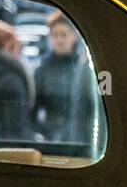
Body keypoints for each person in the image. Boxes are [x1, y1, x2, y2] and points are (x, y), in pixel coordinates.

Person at [34, 11, 92, 143]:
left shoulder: (83, 67)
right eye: (55, 35)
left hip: (81, 140)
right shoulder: (42, 69)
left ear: (74, 37)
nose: (59, 40)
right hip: (52, 141)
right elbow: (32, 109)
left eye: (64, 35)